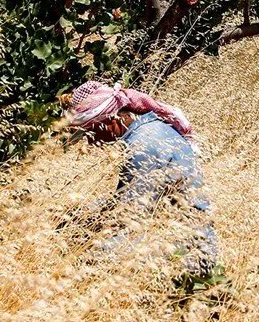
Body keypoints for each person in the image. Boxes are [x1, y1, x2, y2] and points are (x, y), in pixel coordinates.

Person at [61, 81, 219, 276]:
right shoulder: (150, 130)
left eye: (91, 131)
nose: (91, 141)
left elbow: (131, 215)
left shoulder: (144, 145)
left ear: (111, 120)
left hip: (185, 259)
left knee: (85, 263)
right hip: (187, 244)